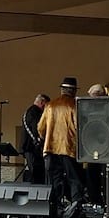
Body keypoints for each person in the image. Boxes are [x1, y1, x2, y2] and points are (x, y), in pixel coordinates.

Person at [37, 78, 84, 210]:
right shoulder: (75, 105)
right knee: (74, 178)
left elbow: (40, 128)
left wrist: (45, 139)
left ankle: (55, 206)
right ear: (74, 91)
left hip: (50, 149)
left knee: (54, 180)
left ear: (62, 90)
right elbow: (79, 126)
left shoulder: (50, 105)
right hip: (68, 148)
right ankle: (76, 206)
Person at [19, 93, 48, 185]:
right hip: (33, 149)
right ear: (42, 102)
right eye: (46, 105)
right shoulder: (36, 112)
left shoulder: (27, 111)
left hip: (28, 148)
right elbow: (37, 129)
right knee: (38, 175)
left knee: (34, 173)